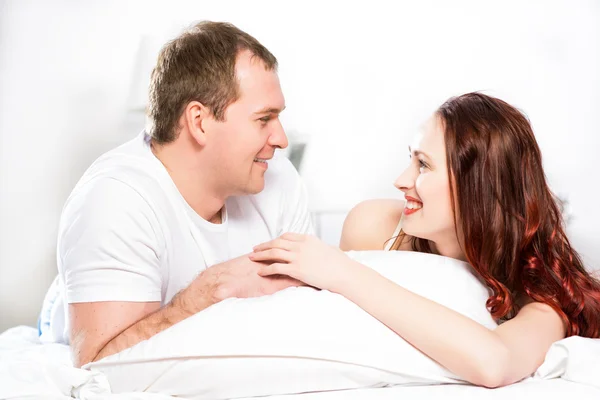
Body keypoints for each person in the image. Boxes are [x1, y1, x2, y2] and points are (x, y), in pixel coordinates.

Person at [249, 92, 600, 388]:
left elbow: (494, 364)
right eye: (410, 159)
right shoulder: (374, 227)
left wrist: (343, 273)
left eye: (424, 165)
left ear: (477, 188)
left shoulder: (541, 300)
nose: (401, 180)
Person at [39, 21, 314, 368]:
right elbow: (97, 363)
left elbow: (309, 308)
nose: (281, 139)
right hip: (71, 318)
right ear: (199, 122)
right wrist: (209, 293)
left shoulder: (279, 179)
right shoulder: (114, 200)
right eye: (264, 119)